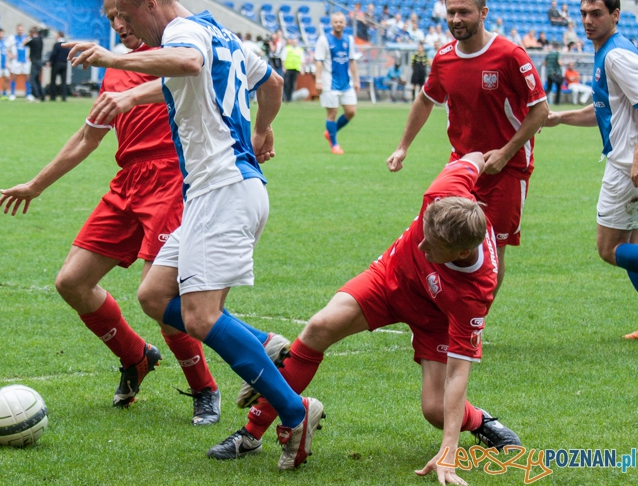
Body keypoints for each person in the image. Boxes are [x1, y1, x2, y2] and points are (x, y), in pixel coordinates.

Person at [64, 0, 323, 470]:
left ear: (151, 4)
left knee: (201, 315)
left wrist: (117, 58)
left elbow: (184, 60)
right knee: (155, 296)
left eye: (129, 17)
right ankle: (265, 348)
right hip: (224, 189)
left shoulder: (183, 33)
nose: (131, 30)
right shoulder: (220, 31)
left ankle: (295, 412)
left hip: (223, 190)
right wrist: (263, 131)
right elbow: (269, 83)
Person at [207, 154, 522, 485]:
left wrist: (449, 449)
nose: (422, 243)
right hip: (390, 279)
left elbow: (458, 375)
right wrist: (493, 156)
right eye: (423, 231)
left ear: (460, 253)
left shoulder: (473, 292)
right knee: (319, 328)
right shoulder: (444, 190)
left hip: (435, 317)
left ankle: (481, 422)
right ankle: (251, 433)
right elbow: (474, 157)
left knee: (435, 409)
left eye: (434, 246)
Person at [0, 0, 222, 423]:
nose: (118, 24)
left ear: (145, 6)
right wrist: (35, 185)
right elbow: (87, 138)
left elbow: (205, 85)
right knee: (71, 282)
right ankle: (135, 356)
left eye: (122, 13)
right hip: (127, 184)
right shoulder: (113, 68)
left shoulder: (179, 48)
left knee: (159, 297)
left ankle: (204, 388)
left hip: (171, 183)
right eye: (110, 15)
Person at [387, 0, 548, 298]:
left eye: (464, 12)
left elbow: (540, 110)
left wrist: (505, 151)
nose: (456, 19)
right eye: (450, 13)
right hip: (461, 164)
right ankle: (442, 308)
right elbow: (425, 99)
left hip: (508, 168)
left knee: (492, 246)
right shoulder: (444, 57)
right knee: (440, 236)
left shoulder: (510, 55)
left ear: (483, 12)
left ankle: (474, 320)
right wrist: (403, 146)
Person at [545, 0, 638, 339]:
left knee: (609, 248)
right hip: (627, 162)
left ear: (615, 15)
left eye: (596, 13)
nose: (588, 21)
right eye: (584, 13)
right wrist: (560, 118)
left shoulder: (616, 56)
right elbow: (606, 110)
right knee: (633, 240)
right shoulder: (610, 52)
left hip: (626, 165)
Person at [315, 12, 360, 155]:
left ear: (345, 24)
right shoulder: (324, 40)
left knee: (351, 111)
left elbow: (352, 60)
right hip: (329, 82)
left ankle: (330, 133)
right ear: (332, 24)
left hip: (346, 82)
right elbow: (319, 62)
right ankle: (334, 144)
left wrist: (356, 79)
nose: (338, 24)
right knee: (332, 113)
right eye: (336, 22)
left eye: (341, 22)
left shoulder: (349, 40)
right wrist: (318, 81)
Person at [7, 25, 32, 100]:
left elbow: (32, 47)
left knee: (27, 77)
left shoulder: (28, 38)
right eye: (19, 30)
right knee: (14, 76)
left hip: (25, 60)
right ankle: (12, 93)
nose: (20, 31)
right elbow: (6, 48)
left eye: (21, 30)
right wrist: (11, 55)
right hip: (16, 60)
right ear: (16, 30)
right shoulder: (12, 38)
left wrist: (30, 56)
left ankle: (28, 94)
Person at [47, 31, 70, 102]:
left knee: (53, 80)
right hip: (64, 64)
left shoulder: (57, 45)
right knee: (63, 81)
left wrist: (50, 61)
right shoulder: (66, 45)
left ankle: (53, 96)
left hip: (56, 64)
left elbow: (53, 54)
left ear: (59, 36)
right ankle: (64, 96)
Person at [26, 26, 45, 102]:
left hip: (34, 61)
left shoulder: (33, 40)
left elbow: (24, 43)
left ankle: (35, 95)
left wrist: (28, 37)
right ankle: (42, 95)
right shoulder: (40, 40)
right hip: (39, 61)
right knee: (37, 79)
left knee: (32, 79)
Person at [281, 37, 303, 102]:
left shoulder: (300, 50)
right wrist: (283, 67)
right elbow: (283, 58)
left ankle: (289, 98)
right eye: (293, 42)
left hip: (296, 68)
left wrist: (302, 68)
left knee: (292, 84)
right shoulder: (287, 48)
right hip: (288, 68)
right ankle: (285, 97)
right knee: (286, 83)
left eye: (295, 42)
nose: (294, 43)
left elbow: (302, 60)